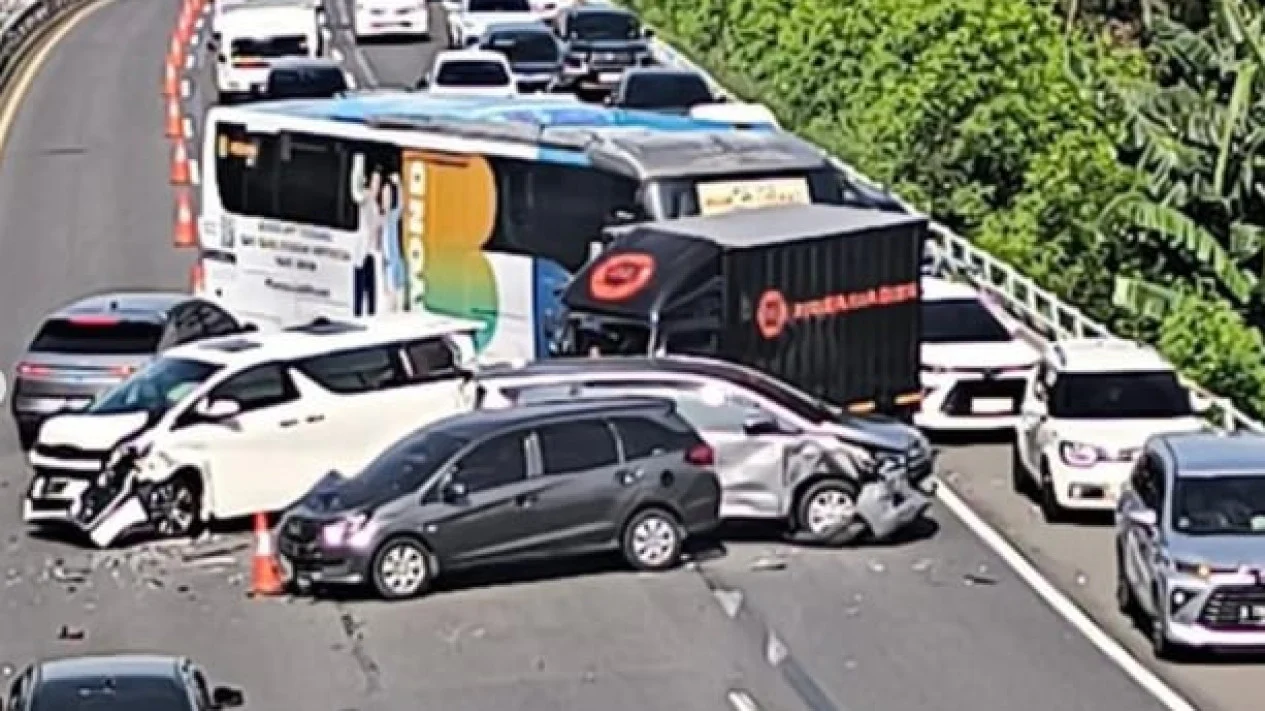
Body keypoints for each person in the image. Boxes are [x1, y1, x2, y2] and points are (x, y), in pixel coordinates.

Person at [349, 157, 383, 317]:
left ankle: (371, 310)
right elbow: (355, 188)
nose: (377, 185)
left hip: (371, 249)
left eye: (379, 182)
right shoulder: (364, 197)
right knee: (360, 277)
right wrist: (359, 160)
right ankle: (358, 310)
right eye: (374, 181)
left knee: (371, 284)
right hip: (363, 246)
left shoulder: (375, 203)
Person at [380, 174, 407, 312]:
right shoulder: (380, 219)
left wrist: (398, 184)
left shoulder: (393, 216)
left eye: (389, 195)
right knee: (389, 305)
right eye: (384, 195)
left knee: (399, 301)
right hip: (387, 267)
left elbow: (402, 204)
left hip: (396, 265)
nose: (386, 199)